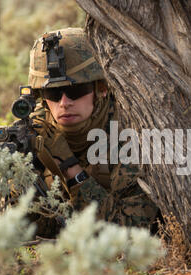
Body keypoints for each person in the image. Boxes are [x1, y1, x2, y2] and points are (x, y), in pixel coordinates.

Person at [26, 28, 160, 237]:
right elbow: (37, 230)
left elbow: (130, 231)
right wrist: (23, 186)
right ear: (42, 97)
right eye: (53, 92)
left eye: (75, 91)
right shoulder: (35, 131)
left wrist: (70, 168)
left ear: (101, 88)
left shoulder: (132, 132)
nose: (64, 103)